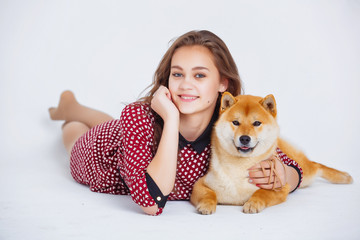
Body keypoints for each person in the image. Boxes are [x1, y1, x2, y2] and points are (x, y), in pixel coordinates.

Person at [49, 30, 302, 216]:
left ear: (222, 83)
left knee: (114, 124)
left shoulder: (229, 124)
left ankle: (74, 106)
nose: (185, 84)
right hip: (100, 156)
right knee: (75, 138)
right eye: (177, 74)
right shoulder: (139, 117)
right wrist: (171, 119)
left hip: (126, 133)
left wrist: (282, 175)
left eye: (200, 75)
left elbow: (290, 168)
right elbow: (151, 202)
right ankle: (70, 116)